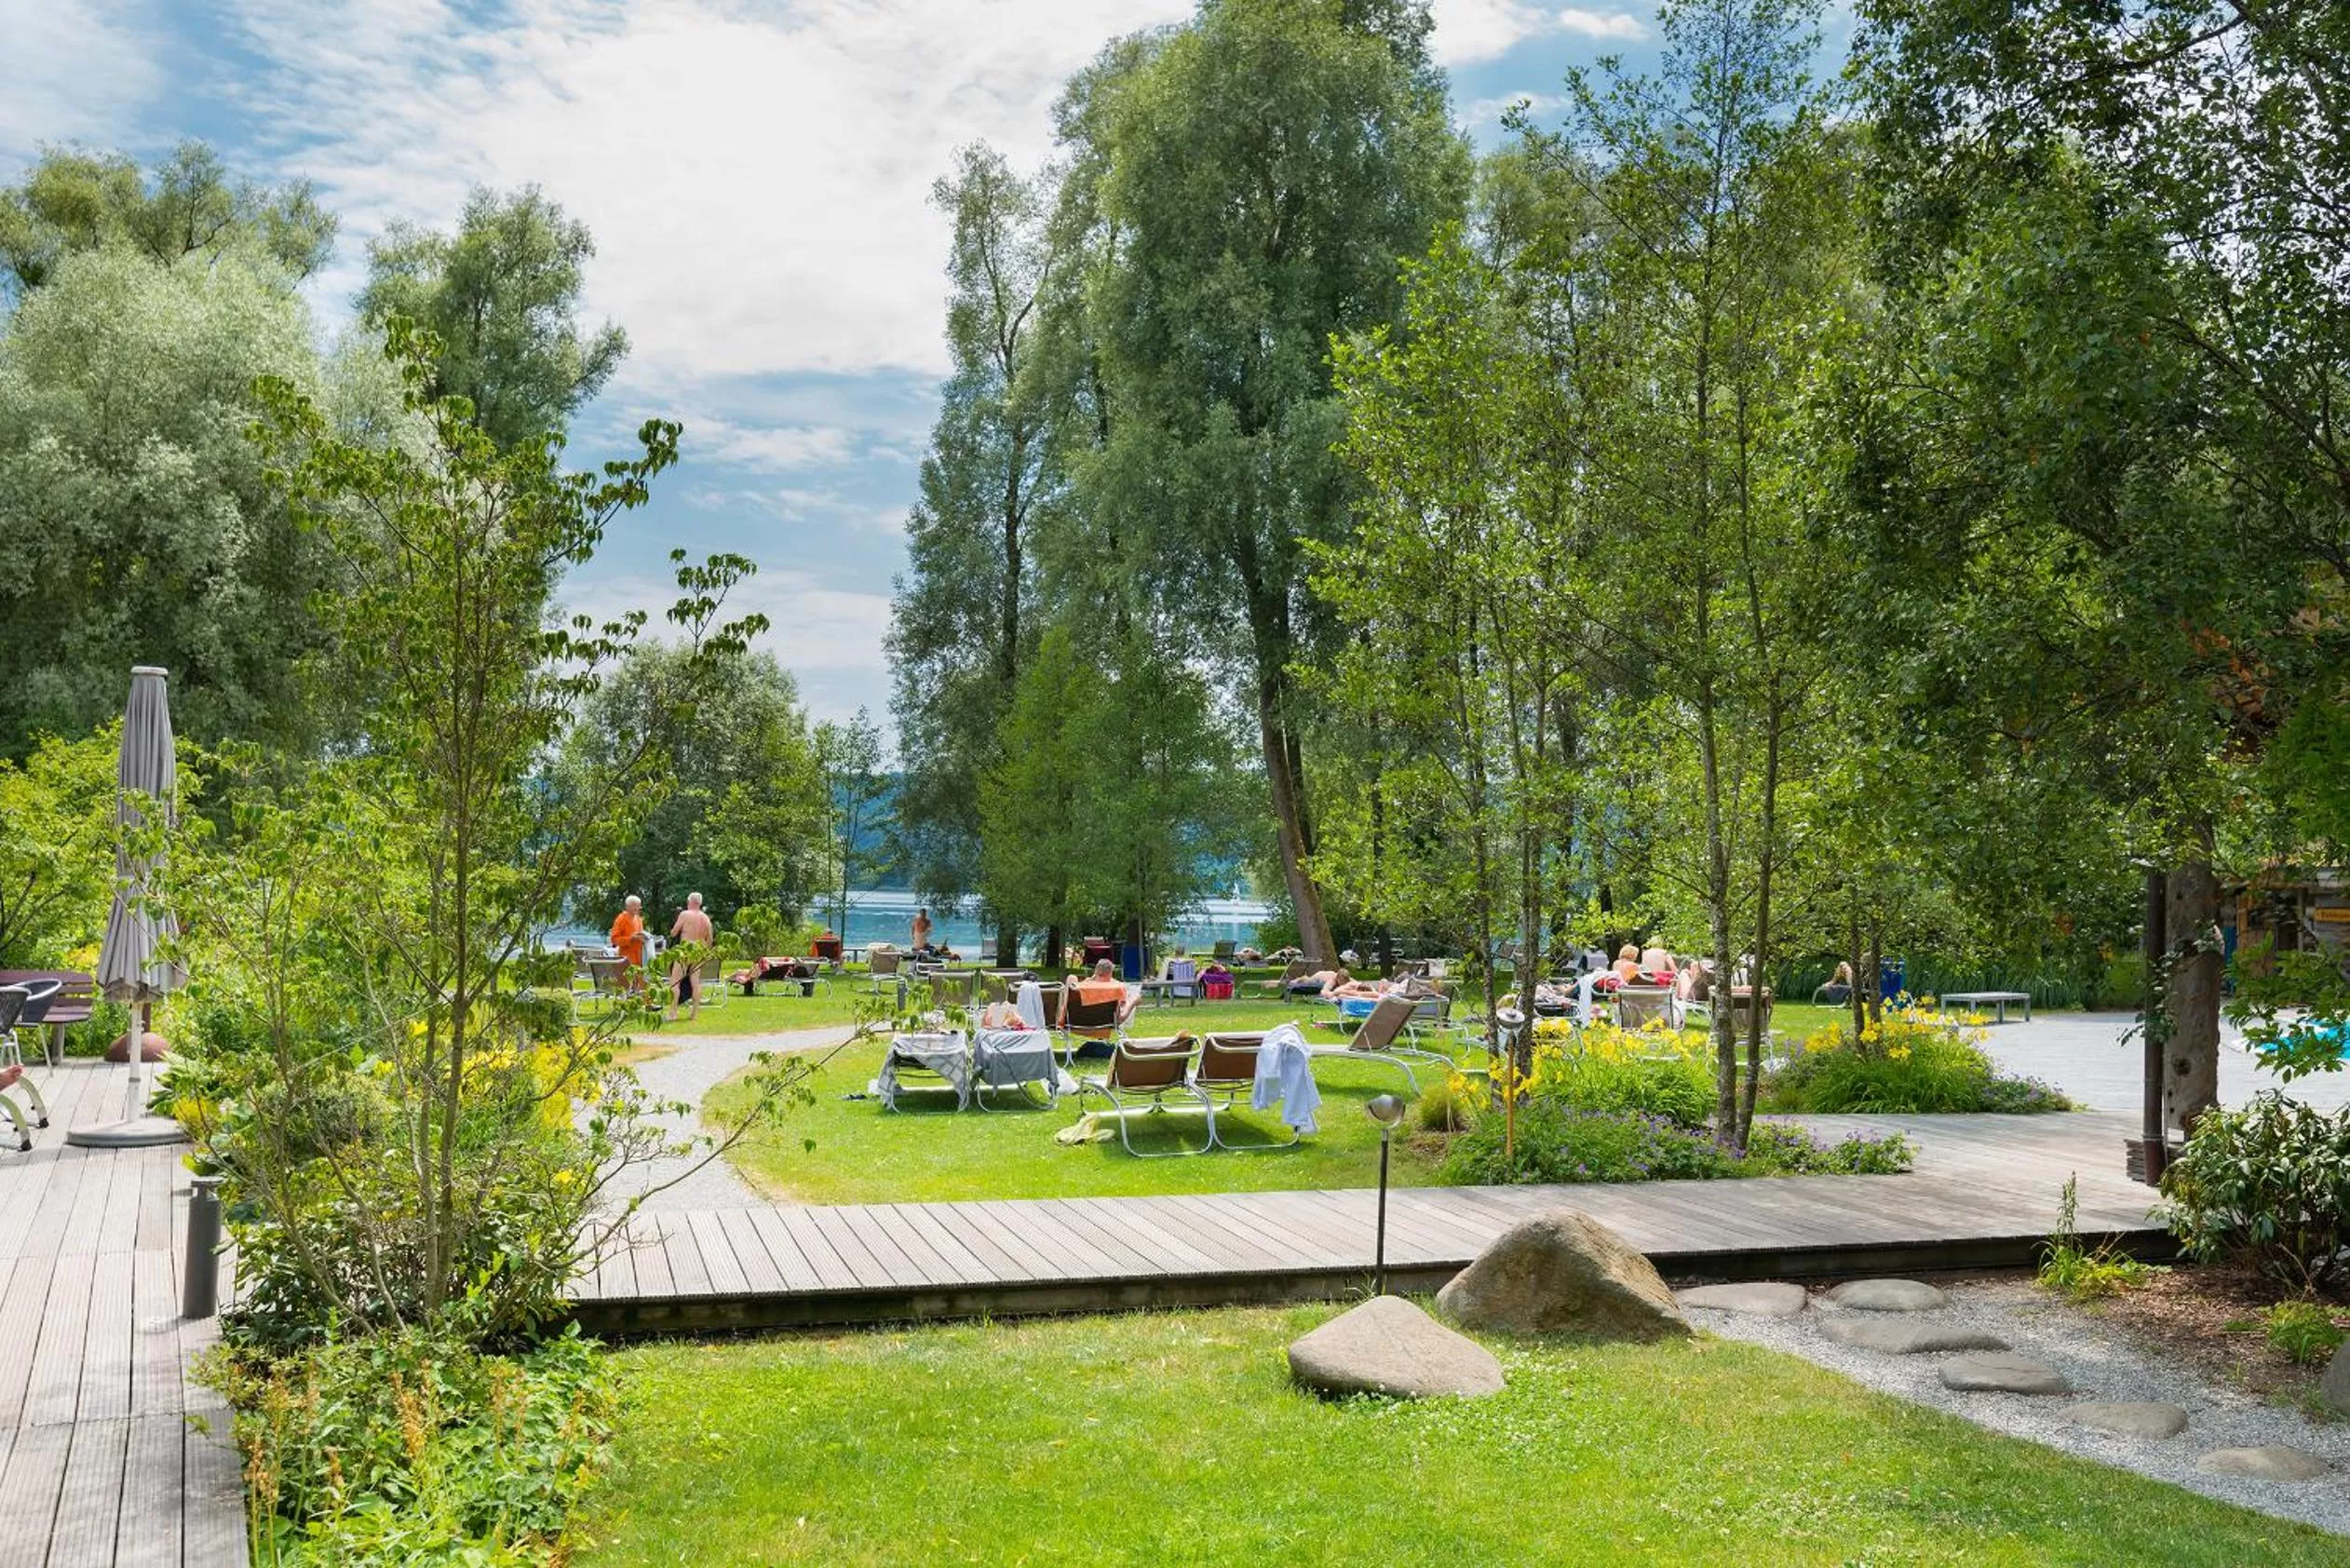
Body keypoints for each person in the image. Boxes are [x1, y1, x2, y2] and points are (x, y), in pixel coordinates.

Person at [666, 892, 714, 1021]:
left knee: (675, 981)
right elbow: (710, 940)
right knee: (695, 982)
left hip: (685, 950)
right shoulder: (706, 918)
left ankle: (673, 1013)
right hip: (698, 952)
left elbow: (673, 932)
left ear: (690, 901)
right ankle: (694, 1014)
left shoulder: (685, 914)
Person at [610, 895, 648, 994]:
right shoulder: (621, 918)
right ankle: (627, 1003)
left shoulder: (638, 919)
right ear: (627, 906)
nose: (637, 908)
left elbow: (639, 934)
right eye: (635, 906)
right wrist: (630, 939)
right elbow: (614, 939)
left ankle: (646, 1003)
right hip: (626, 957)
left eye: (639, 906)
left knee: (642, 981)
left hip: (639, 956)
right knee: (627, 984)